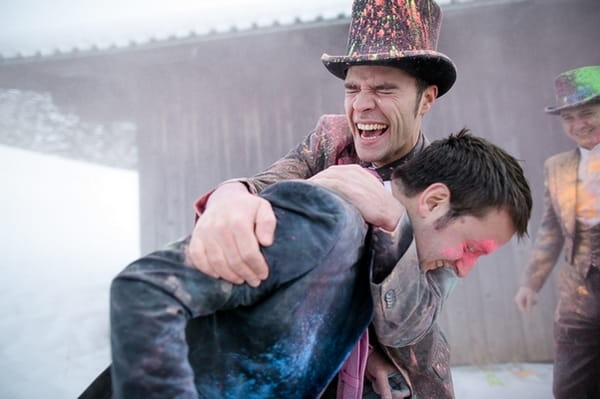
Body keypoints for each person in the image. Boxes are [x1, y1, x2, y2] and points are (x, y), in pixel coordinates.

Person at [83, 131, 531, 399]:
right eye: (473, 248)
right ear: (434, 201)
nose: (465, 268)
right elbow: (146, 288)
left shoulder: (382, 258)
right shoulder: (327, 219)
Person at [187, 0, 464, 397]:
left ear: (426, 99)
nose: (362, 105)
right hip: (313, 360)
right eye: (352, 88)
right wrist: (232, 195)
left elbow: (420, 314)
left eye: (384, 88)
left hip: (400, 378)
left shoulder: (448, 183)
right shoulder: (330, 138)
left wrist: (393, 223)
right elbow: (264, 184)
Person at [514, 65, 600, 399]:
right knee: (569, 388)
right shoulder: (558, 167)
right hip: (578, 292)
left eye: (588, 114)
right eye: (569, 118)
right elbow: (551, 229)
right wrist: (530, 282)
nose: (579, 125)